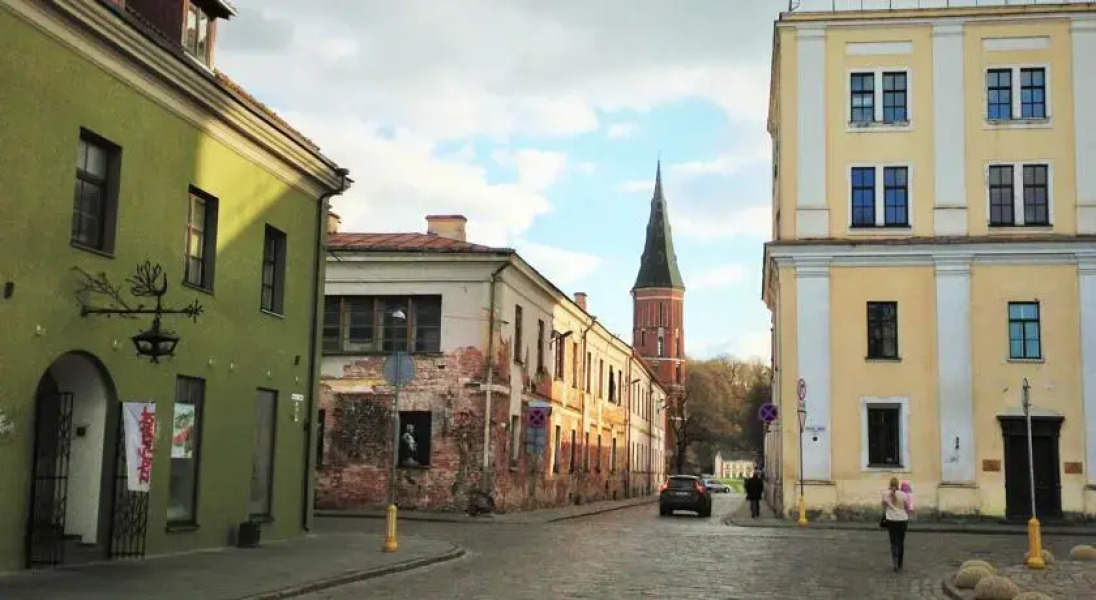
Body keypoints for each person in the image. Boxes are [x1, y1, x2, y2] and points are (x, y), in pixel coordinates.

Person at [882, 476, 913, 572]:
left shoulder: (885, 494)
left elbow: (883, 506)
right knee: (901, 542)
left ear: (890, 484)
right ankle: (900, 563)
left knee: (893, 541)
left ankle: (895, 560)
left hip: (891, 519)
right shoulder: (903, 495)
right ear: (898, 484)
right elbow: (907, 508)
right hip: (902, 519)